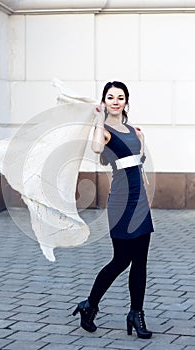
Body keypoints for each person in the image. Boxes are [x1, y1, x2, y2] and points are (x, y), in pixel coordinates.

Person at [72, 81, 154, 339]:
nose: (116, 101)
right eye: (110, 97)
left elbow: (138, 161)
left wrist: (142, 138)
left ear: (126, 102)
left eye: (120, 97)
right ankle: (90, 305)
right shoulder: (104, 131)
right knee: (121, 260)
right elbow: (97, 149)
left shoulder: (135, 131)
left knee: (140, 262)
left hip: (140, 201)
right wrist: (98, 120)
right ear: (105, 101)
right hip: (120, 202)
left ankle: (136, 314)